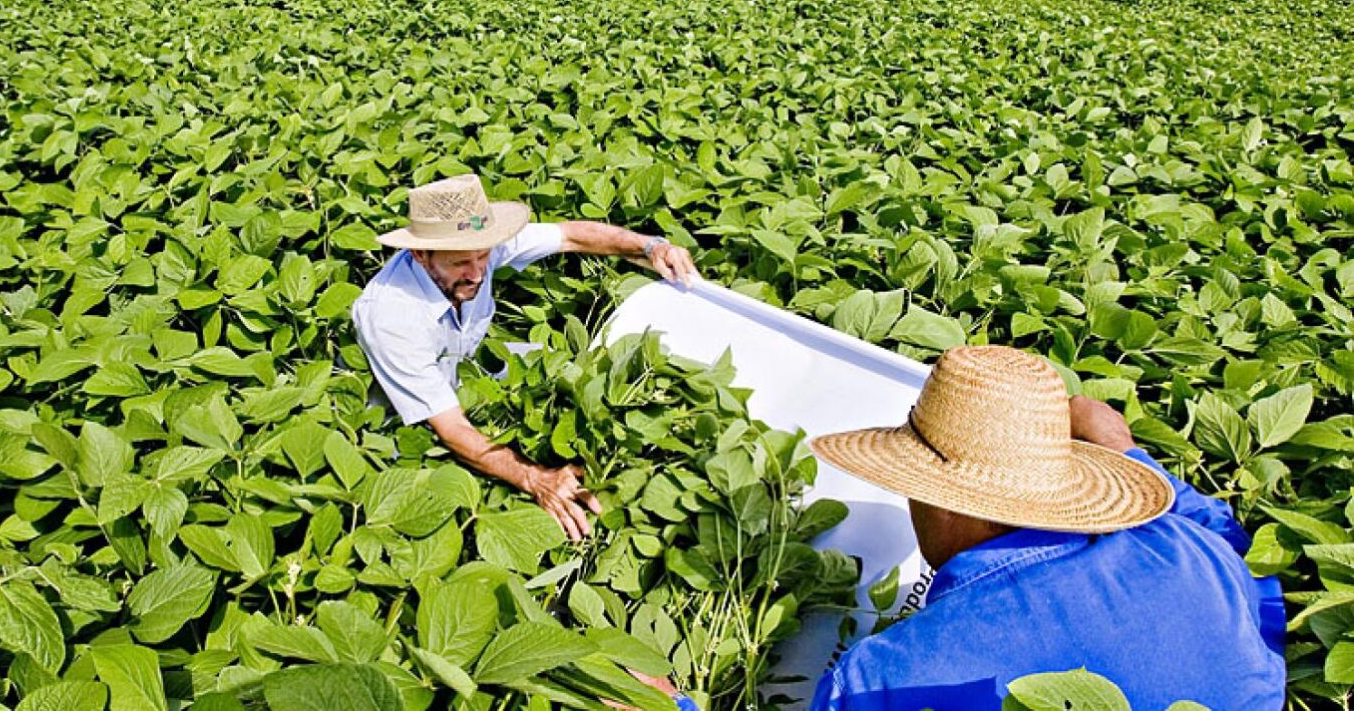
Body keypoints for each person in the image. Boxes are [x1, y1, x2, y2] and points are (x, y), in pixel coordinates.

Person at [633, 345, 1285, 710]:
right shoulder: (1181, 533)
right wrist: (1121, 449)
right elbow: (1202, 513)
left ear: (943, 502)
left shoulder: (902, 673)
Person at [352, 174, 698, 540]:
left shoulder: (476, 248)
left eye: (483, 256)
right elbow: (451, 428)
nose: (477, 273)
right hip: (403, 421)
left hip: (469, 372)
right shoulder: (392, 317)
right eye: (459, 264)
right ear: (419, 254)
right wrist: (536, 478)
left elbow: (569, 235)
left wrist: (651, 247)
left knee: (566, 366)